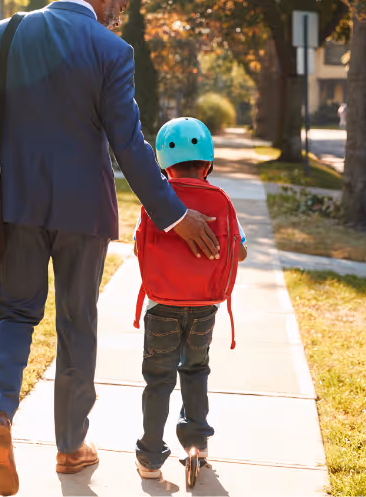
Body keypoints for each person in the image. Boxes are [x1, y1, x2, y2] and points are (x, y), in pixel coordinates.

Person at [0, 0, 220, 496]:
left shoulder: (6, 33)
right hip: (84, 209)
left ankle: (0, 418)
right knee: (77, 325)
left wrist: (17, 150)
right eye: (120, 9)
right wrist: (173, 213)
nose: (118, 21)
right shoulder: (110, 50)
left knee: (12, 310)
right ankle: (70, 446)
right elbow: (128, 144)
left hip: (17, 201)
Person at [132, 117, 248, 480]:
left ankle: (150, 458)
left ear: (164, 165)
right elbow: (239, 252)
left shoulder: (158, 200)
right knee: (195, 371)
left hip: (161, 304)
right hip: (203, 307)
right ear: (208, 163)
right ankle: (196, 445)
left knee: (158, 379)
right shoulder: (220, 199)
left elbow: (139, 246)